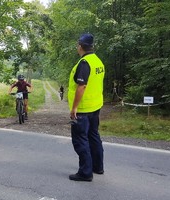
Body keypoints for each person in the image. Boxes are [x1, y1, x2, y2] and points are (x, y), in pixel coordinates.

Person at [68, 33, 105, 182]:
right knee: (93, 136)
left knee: (80, 139)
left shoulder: (84, 63)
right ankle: (98, 167)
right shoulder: (98, 61)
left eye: (78, 45)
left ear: (80, 46)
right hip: (96, 106)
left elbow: (81, 86)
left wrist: (74, 108)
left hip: (83, 109)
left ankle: (85, 172)